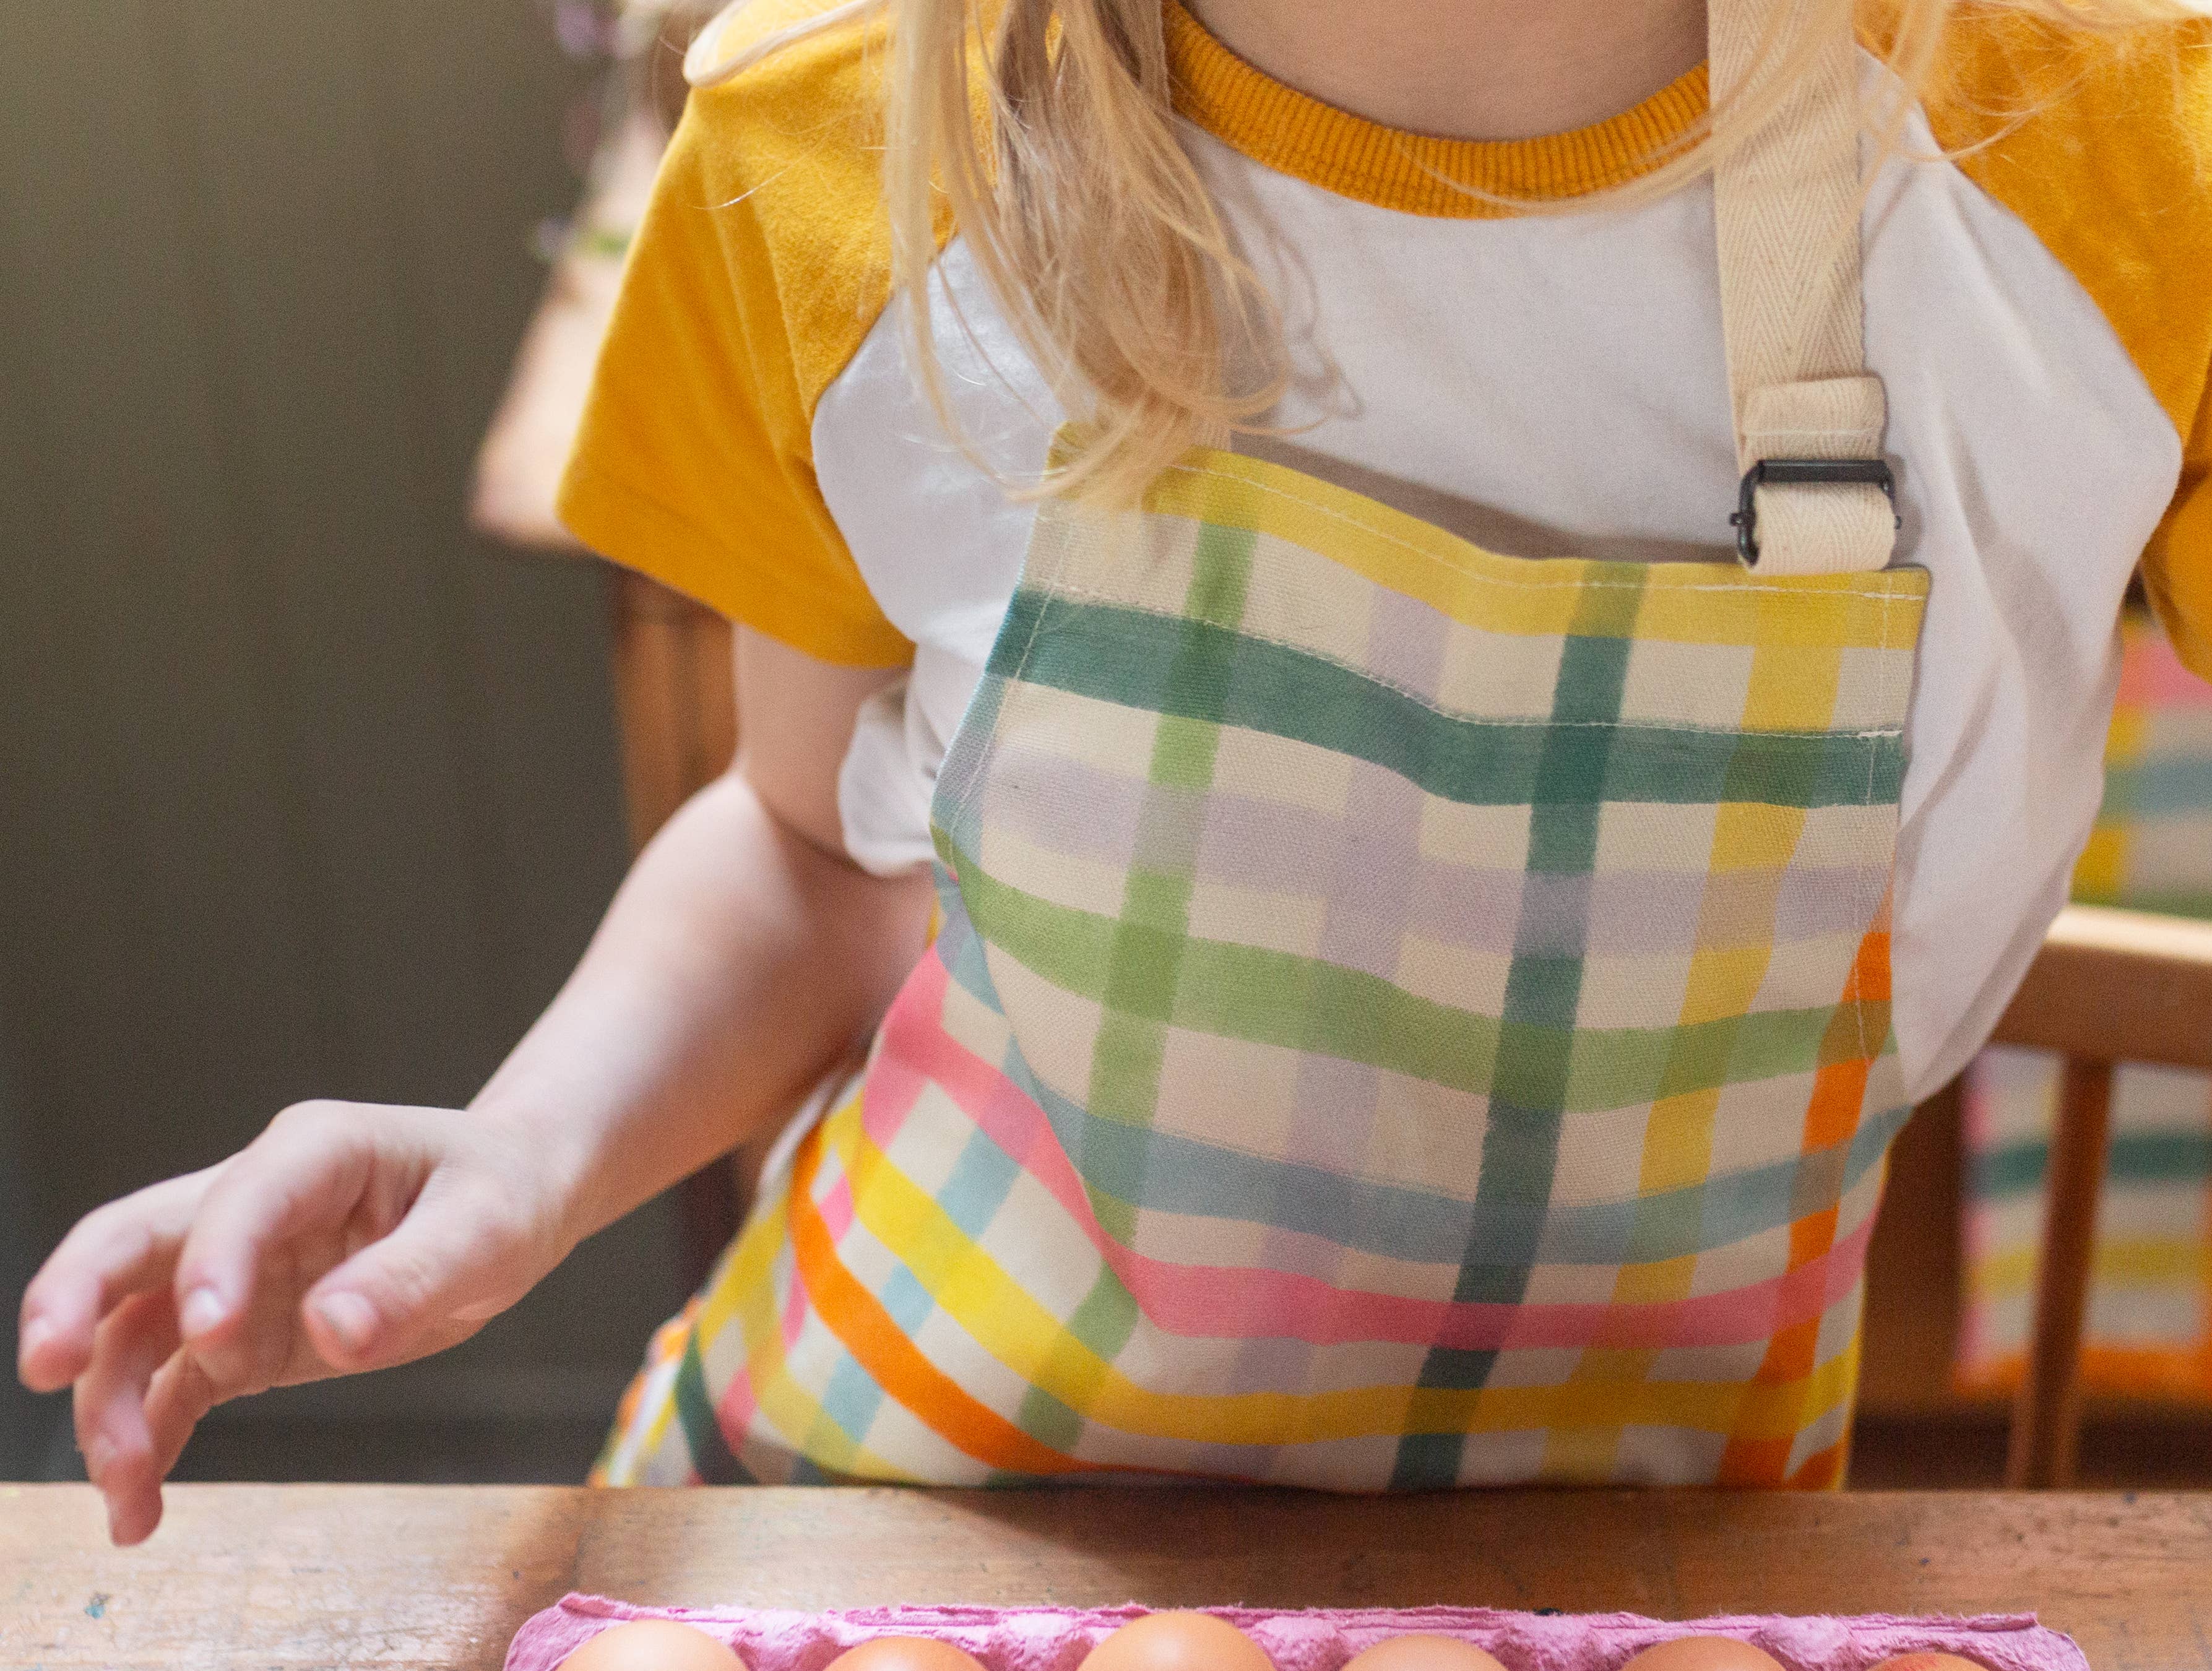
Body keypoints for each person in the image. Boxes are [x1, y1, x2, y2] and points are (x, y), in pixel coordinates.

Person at [20, 0, 2211, 1540]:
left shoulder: (2113, 168)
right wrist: (525, 1153)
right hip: (898, 1547)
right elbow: (806, 852)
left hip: (1632, 1623)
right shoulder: (850, 151)